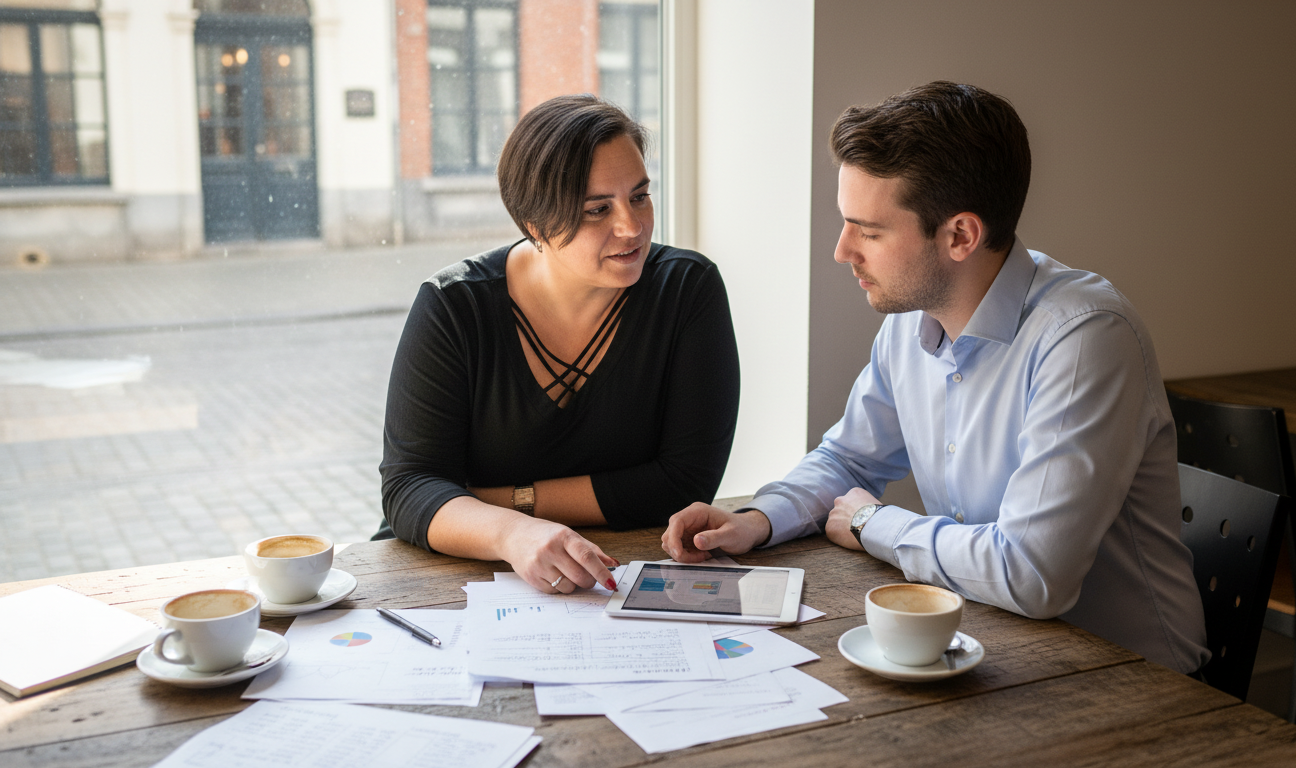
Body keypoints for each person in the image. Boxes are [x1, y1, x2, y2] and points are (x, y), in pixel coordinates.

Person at [661, 81, 1209, 674]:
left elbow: (1032, 576)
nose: (842, 251)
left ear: (960, 236)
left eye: (868, 231)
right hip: (993, 645)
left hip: (1130, 679)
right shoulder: (912, 320)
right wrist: (756, 520)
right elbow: (847, 461)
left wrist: (873, 522)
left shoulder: (1085, 338)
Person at [378, 94, 740, 596]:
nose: (631, 227)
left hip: (624, 575)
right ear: (535, 226)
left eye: (639, 196)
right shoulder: (455, 307)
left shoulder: (686, 289)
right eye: (597, 209)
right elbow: (408, 490)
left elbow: (683, 484)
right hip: (455, 577)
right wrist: (512, 532)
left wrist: (492, 502)